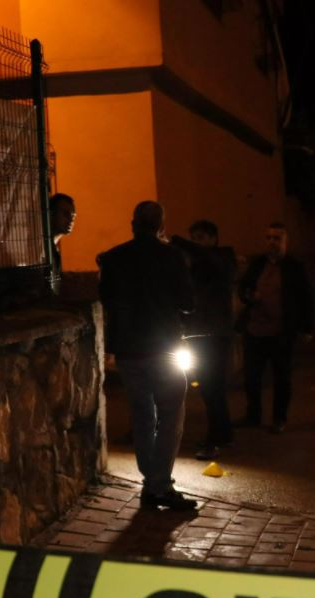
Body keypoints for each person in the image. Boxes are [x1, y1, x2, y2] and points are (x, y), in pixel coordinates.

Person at [98, 201, 197, 511]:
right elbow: (188, 303)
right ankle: (159, 484)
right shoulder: (172, 256)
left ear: (133, 224)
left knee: (142, 415)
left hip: (129, 350)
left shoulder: (114, 258)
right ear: (161, 225)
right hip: (164, 348)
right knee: (171, 415)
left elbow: (106, 298)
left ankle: (150, 481)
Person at [237, 222, 313, 434]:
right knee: (252, 377)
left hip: (281, 332)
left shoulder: (294, 267)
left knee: (282, 378)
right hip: (255, 330)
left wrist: (307, 328)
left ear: (285, 241)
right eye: (269, 238)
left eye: (277, 238)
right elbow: (244, 288)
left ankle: (279, 418)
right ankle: (253, 415)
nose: (272, 242)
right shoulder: (258, 263)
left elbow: (306, 298)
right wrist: (249, 296)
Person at [171, 220, 237, 460]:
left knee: (213, 388)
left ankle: (215, 440)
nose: (196, 242)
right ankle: (224, 434)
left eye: (200, 237)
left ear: (213, 239)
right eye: (194, 237)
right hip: (199, 333)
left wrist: (178, 241)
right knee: (209, 388)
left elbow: (212, 262)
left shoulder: (223, 258)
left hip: (216, 335)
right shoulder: (197, 266)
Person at [49, 193, 76, 286]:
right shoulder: (42, 248)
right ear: (51, 214)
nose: (71, 220)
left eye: (73, 216)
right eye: (65, 214)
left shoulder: (54, 249)